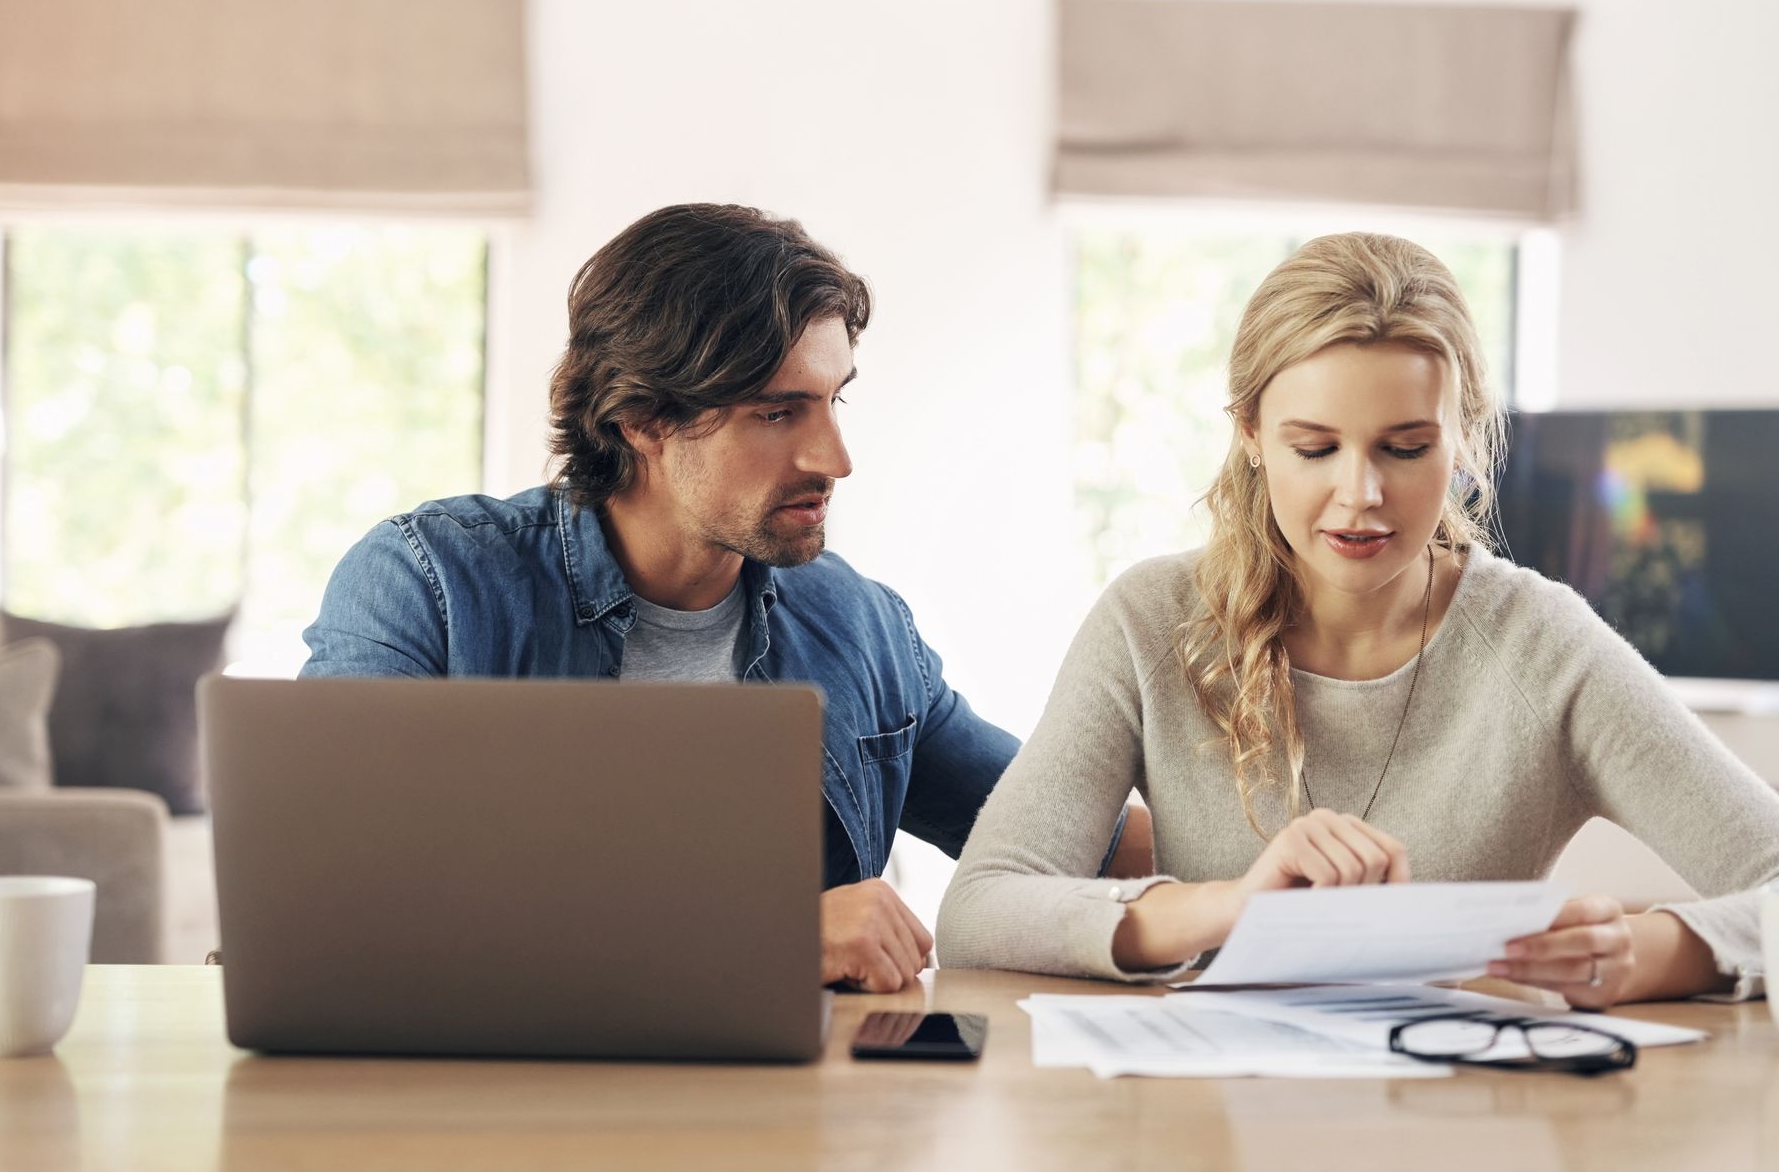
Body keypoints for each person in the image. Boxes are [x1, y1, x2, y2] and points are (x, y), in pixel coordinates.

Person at [937, 232, 1779, 1005]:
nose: (1360, 496)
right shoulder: (1149, 621)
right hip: (1209, 1143)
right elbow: (980, 910)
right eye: (1315, 447)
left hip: (1459, 1130)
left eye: (1405, 447)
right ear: (1251, 436)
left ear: (1461, 437)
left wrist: (1651, 952)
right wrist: (1233, 906)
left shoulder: (1544, 645)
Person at [302, 203, 1146, 993]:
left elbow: (1067, 840)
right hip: (503, 1114)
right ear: (640, 418)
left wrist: (1262, 867)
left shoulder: (863, 629)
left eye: (834, 400)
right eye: (779, 413)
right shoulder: (430, 585)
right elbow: (335, 904)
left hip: (786, 1120)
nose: (834, 458)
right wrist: (766, 937)